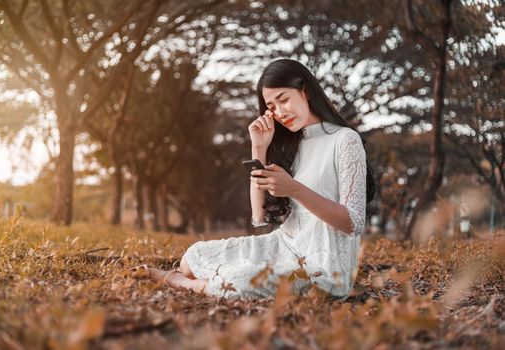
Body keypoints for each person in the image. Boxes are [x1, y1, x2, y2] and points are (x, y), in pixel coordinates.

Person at [132, 58, 376, 300]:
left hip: (323, 268)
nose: (280, 113)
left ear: (305, 92)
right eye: (271, 107)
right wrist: (258, 148)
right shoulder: (293, 145)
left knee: (238, 280)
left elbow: (353, 223)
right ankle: (195, 276)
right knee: (193, 257)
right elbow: (259, 217)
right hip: (282, 246)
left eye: (283, 100)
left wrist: (295, 189)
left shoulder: (345, 140)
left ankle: (177, 280)